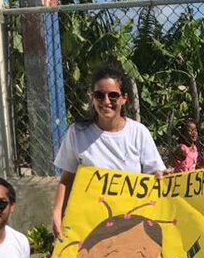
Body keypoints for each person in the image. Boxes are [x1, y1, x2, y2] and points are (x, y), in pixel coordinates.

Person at [51, 63, 167, 238]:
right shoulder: (77, 132)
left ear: (124, 98)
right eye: (99, 95)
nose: (106, 101)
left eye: (113, 96)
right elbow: (67, 180)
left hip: (131, 224)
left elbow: (155, 176)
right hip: (89, 225)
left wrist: (164, 176)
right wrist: (57, 213)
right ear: (92, 97)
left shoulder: (138, 133)